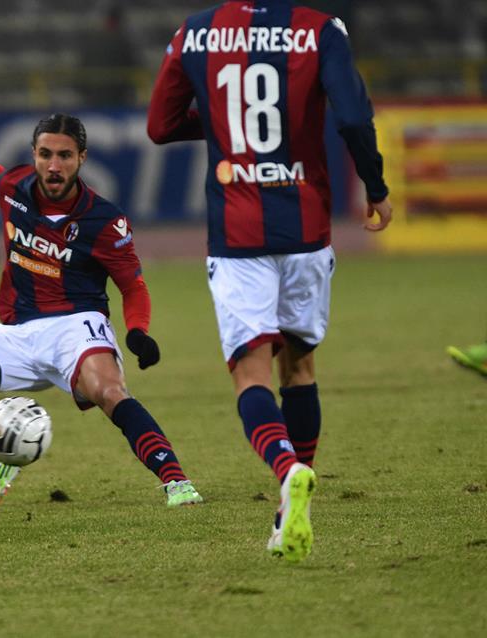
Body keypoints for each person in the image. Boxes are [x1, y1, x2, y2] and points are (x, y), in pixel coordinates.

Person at [147, 0, 393, 562]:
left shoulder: (195, 33)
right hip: (307, 229)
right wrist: (375, 185)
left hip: (238, 237)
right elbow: (353, 117)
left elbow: (159, 126)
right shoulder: (319, 29)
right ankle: (285, 518)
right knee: (300, 367)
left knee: (250, 371)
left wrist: (219, 124)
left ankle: (287, 472)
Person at [0, 110, 203, 509]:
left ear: (82, 158)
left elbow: (132, 285)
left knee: (109, 391)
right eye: (46, 154)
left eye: (65, 156)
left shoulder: (106, 221)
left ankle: (176, 481)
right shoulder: (15, 187)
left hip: (77, 327)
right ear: (33, 154)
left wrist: (138, 331)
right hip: (18, 332)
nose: (54, 165)